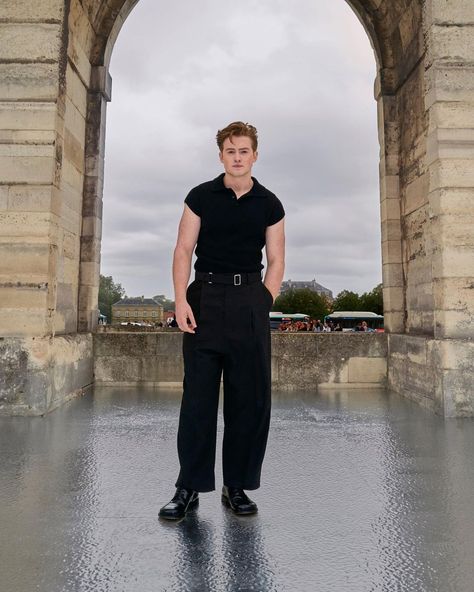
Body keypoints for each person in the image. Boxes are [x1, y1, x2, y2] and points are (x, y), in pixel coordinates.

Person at [158, 121, 285, 520]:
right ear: (221, 156)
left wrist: (263, 300)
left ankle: (236, 486)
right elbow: (183, 249)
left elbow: (277, 259)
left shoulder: (269, 203)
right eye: (230, 151)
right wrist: (180, 300)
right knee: (197, 399)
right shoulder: (200, 197)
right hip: (205, 297)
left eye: (243, 151)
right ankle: (188, 487)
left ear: (254, 156)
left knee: (249, 399)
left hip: (250, 298)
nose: (237, 157)